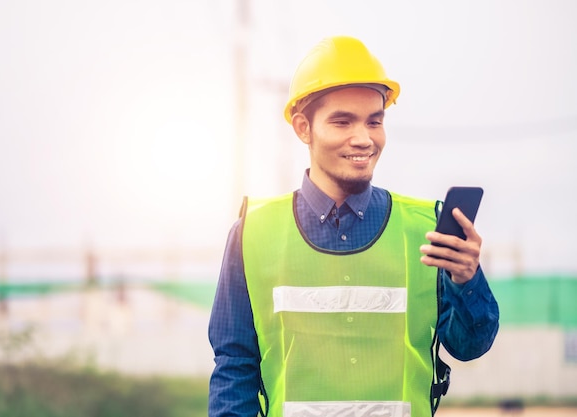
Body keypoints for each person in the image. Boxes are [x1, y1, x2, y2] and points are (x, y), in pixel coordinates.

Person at [208, 35, 499, 417]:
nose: (363, 139)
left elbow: (468, 345)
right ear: (303, 128)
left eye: (374, 121)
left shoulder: (427, 230)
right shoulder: (251, 234)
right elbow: (234, 368)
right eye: (342, 121)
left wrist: (467, 280)